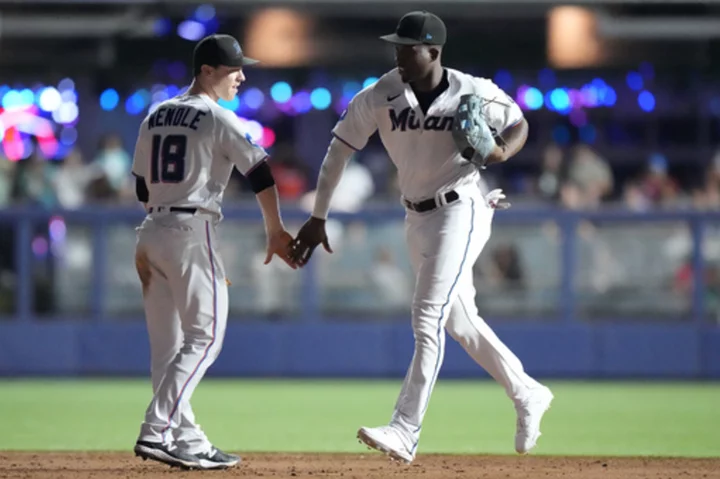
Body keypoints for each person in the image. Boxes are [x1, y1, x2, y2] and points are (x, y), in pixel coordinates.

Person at [289, 11, 553, 464]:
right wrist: (318, 216)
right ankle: (528, 392)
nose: (398, 53)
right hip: (417, 216)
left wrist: (501, 150)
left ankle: (405, 429)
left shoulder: (473, 90)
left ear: (434, 51)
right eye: (397, 46)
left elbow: (518, 122)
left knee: (427, 315)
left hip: (463, 207)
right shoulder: (382, 93)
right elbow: (339, 150)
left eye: (407, 47)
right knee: (460, 321)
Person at [131, 34, 295, 470]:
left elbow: (141, 187)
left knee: (167, 352)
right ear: (206, 70)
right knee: (205, 338)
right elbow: (260, 172)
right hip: (191, 230)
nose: (241, 75)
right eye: (232, 68)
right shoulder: (218, 117)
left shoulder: (155, 114)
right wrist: (275, 230)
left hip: (151, 231)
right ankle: (156, 430)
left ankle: (188, 439)